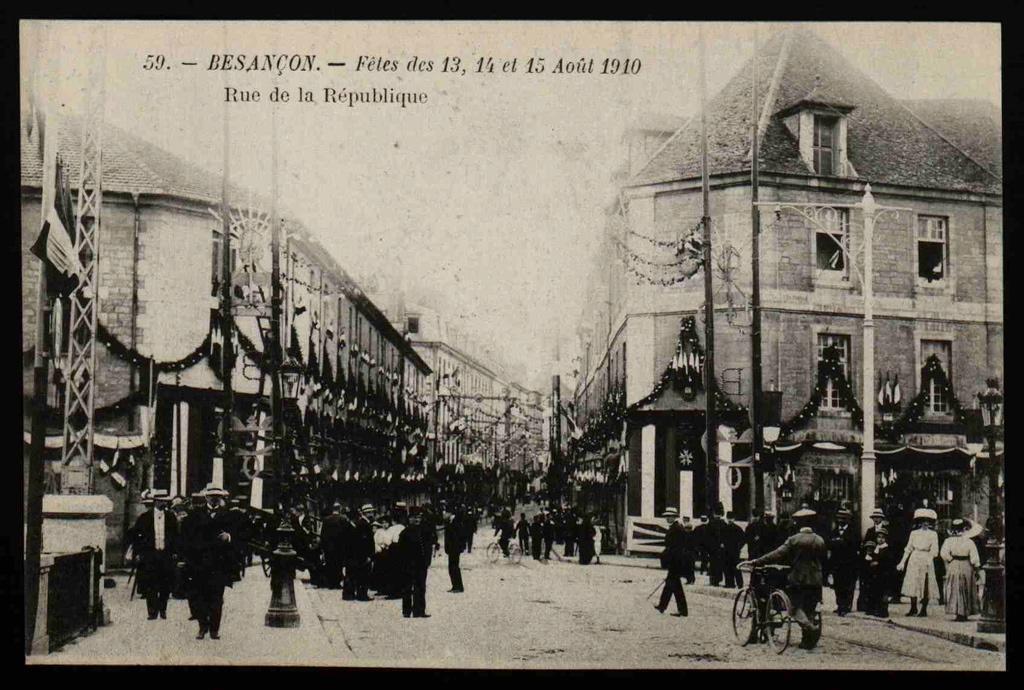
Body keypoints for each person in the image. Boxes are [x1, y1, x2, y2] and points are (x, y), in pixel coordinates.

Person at [738, 505, 826, 638]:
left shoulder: (794, 540)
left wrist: (756, 561)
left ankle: (810, 627)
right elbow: (824, 560)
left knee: (794, 607)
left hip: (798, 579)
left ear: (799, 522)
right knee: (810, 608)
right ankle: (808, 640)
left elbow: (777, 554)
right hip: (816, 580)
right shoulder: (820, 540)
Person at [181, 484, 239, 640]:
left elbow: (240, 535)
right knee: (200, 597)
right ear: (206, 497)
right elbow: (186, 537)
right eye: (211, 496)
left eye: (217, 496)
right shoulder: (194, 515)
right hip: (199, 564)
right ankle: (202, 627)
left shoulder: (228, 515)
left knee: (216, 598)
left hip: (219, 564)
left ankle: (214, 629)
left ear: (221, 498)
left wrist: (229, 536)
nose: (214, 499)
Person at [127, 490, 179, 620]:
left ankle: (163, 609)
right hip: (150, 555)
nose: (164, 503)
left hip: (166, 554)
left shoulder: (171, 517)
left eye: (165, 501)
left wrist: (175, 552)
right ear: (155, 502)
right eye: (162, 500)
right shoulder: (145, 518)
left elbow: (177, 536)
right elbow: (136, 537)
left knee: (165, 584)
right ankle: (152, 611)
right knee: (151, 583)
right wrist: (138, 553)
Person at [896, 508, 940, 617]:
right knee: (912, 582)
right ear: (919, 522)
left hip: (926, 558)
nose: (925, 523)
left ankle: (924, 608)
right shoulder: (914, 533)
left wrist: (929, 560)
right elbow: (908, 548)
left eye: (927, 521)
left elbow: (935, 550)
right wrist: (902, 562)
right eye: (923, 520)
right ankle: (913, 607)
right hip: (914, 558)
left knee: (925, 583)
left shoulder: (933, 534)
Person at [940, 518, 981, 622]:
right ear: (964, 529)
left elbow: (943, 553)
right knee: (966, 586)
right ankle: (964, 612)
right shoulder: (969, 541)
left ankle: (958, 612)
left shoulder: (948, 541)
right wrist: (976, 567)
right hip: (966, 564)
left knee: (955, 587)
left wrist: (950, 559)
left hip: (954, 563)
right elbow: (974, 557)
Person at [397, 507, 434, 618]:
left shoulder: (425, 531)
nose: (417, 520)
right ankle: (406, 611)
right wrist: (402, 563)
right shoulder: (405, 533)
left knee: (421, 587)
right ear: (409, 519)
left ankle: (419, 610)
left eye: (418, 517)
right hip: (408, 564)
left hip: (421, 564)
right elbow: (401, 550)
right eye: (414, 517)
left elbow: (428, 547)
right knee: (407, 588)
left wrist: (427, 561)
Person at [653, 508, 689, 617]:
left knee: (673, 585)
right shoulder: (674, 528)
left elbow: (677, 547)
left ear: (674, 517)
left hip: (676, 561)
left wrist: (670, 559)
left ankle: (676, 609)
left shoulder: (677, 529)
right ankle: (663, 606)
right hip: (674, 561)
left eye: (669, 516)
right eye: (666, 516)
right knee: (672, 585)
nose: (667, 518)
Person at [828, 508, 860, 616]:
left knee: (848, 585)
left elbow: (853, 545)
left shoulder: (853, 531)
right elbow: (830, 544)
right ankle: (840, 604)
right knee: (838, 585)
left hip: (849, 563)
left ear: (848, 520)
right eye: (839, 518)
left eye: (843, 519)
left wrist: (839, 543)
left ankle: (847, 605)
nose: (841, 520)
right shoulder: (834, 531)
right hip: (837, 563)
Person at [858, 527, 892, 618]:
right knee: (873, 592)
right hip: (875, 574)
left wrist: (878, 563)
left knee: (882, 593)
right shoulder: (876, 548)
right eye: (878, 537)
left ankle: (882, 611)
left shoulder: (887, 549)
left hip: (883, 574)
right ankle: (872, 609)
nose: (880, 539)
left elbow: (887, 562)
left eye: (882, 537)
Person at [348, 504, 376, 601]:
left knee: (363, 574)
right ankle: (362, 595)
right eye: (369, 512)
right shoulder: (363, 524)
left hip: (363, 554)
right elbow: (363, 542)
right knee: (364, 575)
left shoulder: (362, 523)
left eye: (371, 512)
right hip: (364, 555)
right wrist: (367, 555)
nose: (371, 514)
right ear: (365, 513)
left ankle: (361, 594)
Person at [320, 502, 347, 590]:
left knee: (330, 564)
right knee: (338, 564)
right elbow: (345, 534)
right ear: (339, 509)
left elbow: (323, 534)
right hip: (340, 546)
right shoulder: (343, 519)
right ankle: (337, 583)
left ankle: (331, 583)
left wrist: (323, 546)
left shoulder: (326, 519)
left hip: (329, 547)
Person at [721, 511, 746, 589]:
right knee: (727, 568)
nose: (730, 520)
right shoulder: (724, 528)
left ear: (734, 519)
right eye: (729, 518)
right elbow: (720, 539)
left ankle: (739, 584)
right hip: (726, 551)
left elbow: (743, 539)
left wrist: (739, 547)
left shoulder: (738, 528)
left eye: (731, 518)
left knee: (736, 568)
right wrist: (721, 544)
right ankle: (729, 583)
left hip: (735, 551)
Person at [443, 509, 465, 592]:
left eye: (446, 513)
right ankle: (455, 586)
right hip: (452, 549)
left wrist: (458, 547)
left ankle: (458, 586)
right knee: (452, 567)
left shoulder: (455, 522)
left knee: (454, 567)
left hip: (454, 549)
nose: (444, 515)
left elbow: (458, 536)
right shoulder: (451, 522)